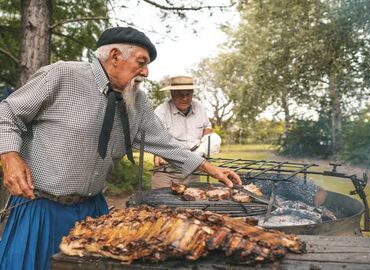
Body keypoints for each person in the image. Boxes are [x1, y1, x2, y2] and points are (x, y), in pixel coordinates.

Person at [0, 26, 241, 270]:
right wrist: (9, 156)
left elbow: (165, 142)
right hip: (40, 210)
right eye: (141, 62)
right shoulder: (62, 75)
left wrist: (210, 168)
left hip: (92, 210)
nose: (146, 72)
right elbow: (7, 112)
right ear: (115, 56)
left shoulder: (138, 100)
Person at [151, 76, 221, 189]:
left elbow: (207, 128)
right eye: (180, 94)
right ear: (172, 93)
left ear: (192, 93)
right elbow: (156, 138)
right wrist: (158, 154)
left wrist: (203, 145)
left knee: (193, 202)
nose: (185, 98)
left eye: (188, 94)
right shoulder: (161, 111)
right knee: (162, 205)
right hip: (166, 172)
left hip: (193, 170)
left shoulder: (200, 108)